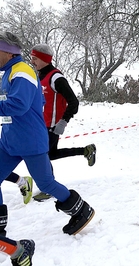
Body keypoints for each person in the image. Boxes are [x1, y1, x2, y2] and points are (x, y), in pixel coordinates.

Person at [0, 31, 95, 236]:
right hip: (10, 140)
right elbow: (38, 101)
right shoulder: (9, 72)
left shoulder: (22, 70)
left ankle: (80, 210)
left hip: (29, 140)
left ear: (8, 52)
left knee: (45, 183)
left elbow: (18, 104)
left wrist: (59, 121)